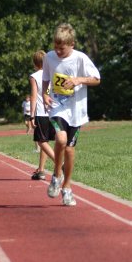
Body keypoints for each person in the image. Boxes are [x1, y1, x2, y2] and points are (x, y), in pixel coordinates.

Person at [42, 23, 100, 206]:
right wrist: (44, 94)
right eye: (56, 47)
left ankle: (67, 188)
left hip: (76, 110)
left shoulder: (80, 59)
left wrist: (78, 80)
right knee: (60, 140)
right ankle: (57, 175)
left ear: (72, 44)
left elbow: (97, 79)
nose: (58, 51)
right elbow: (45, 78)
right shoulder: (49, 58)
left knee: (69, 149)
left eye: (62, 48)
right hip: (57, 107)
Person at [29, 50, 55, 180]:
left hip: (40, 112)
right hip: (52, 112)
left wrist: (31, 115)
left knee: (40, 141)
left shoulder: (34, 76)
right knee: (45, 140)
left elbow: (33, 96)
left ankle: (59, 162)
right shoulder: (51, 74)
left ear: (35, 63)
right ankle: (41, 170)